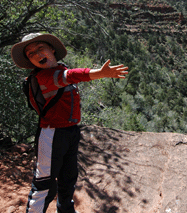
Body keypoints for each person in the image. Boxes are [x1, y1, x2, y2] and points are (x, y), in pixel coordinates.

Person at [11, 33, 128, 213]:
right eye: (30, 53)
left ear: (52, 50)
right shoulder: (45, 77)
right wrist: (100, 73)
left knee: (68, 177)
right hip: (51, 134)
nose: (36, 54)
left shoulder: (57, 71)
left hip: (70, 131)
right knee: (45, 183)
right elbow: (71, 76)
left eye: (40, 48)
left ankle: (65, 210)